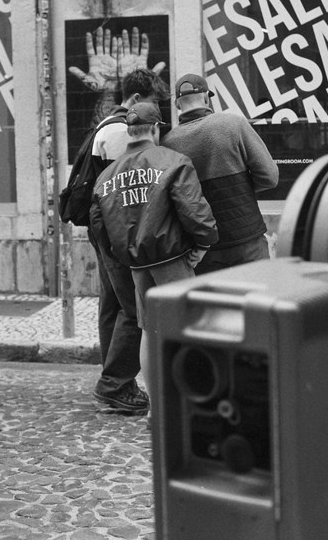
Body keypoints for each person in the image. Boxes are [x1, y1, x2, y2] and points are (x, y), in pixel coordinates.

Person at [90, 100, 218, 412]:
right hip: (172, 261)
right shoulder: (174, 161)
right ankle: (189, 404)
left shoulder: (106, 176)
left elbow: (99, 226)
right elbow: (195, 211)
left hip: (137, 265)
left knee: (148, 332)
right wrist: (203, 244)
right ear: (157, 129)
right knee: (187, 329)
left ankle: (158, 409)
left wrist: (123, 256)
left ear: (129, 132)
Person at [89, 68, 171, 415]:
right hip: (118, 229)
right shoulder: (121, 132)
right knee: (134, 308)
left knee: (112, 305)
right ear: (136, 99)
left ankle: (118, 383)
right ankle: (115, 383)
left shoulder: (105, 125)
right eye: (153, 104)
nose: (157, 113)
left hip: (104, 229)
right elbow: (129, 190)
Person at [162, 73, 279, 274]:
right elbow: (270, 176)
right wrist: (242, 188)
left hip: (203, 249)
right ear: (206, 98)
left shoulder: (167, 144)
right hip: (247, 239)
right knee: (258, 293)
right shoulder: (234, 124)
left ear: (177, 105)